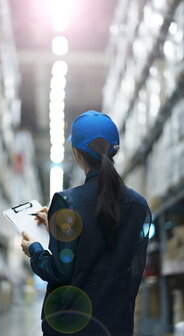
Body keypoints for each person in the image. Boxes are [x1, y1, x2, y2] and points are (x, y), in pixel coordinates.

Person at [21, 110, 152, 336]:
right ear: (116, 151)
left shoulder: (67, 202)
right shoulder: (139, 206)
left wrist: (34, 249)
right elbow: (129, 268)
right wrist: (58, 224)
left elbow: (60, 272)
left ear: (76, 154)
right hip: (116, 326)